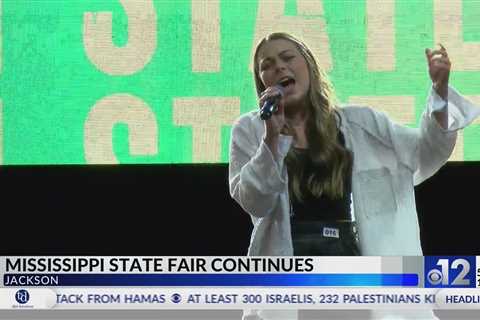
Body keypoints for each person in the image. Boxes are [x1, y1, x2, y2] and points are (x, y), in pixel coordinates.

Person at [228, 32, 480, 320]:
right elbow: (254, 202)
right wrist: (272, 137)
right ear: (262, 81)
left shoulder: (363, 124)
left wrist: (440, 93)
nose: (280, 68)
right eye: (267, 65)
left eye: (288, 58)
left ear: (309, 66)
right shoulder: (250, 130)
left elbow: (426, 153)